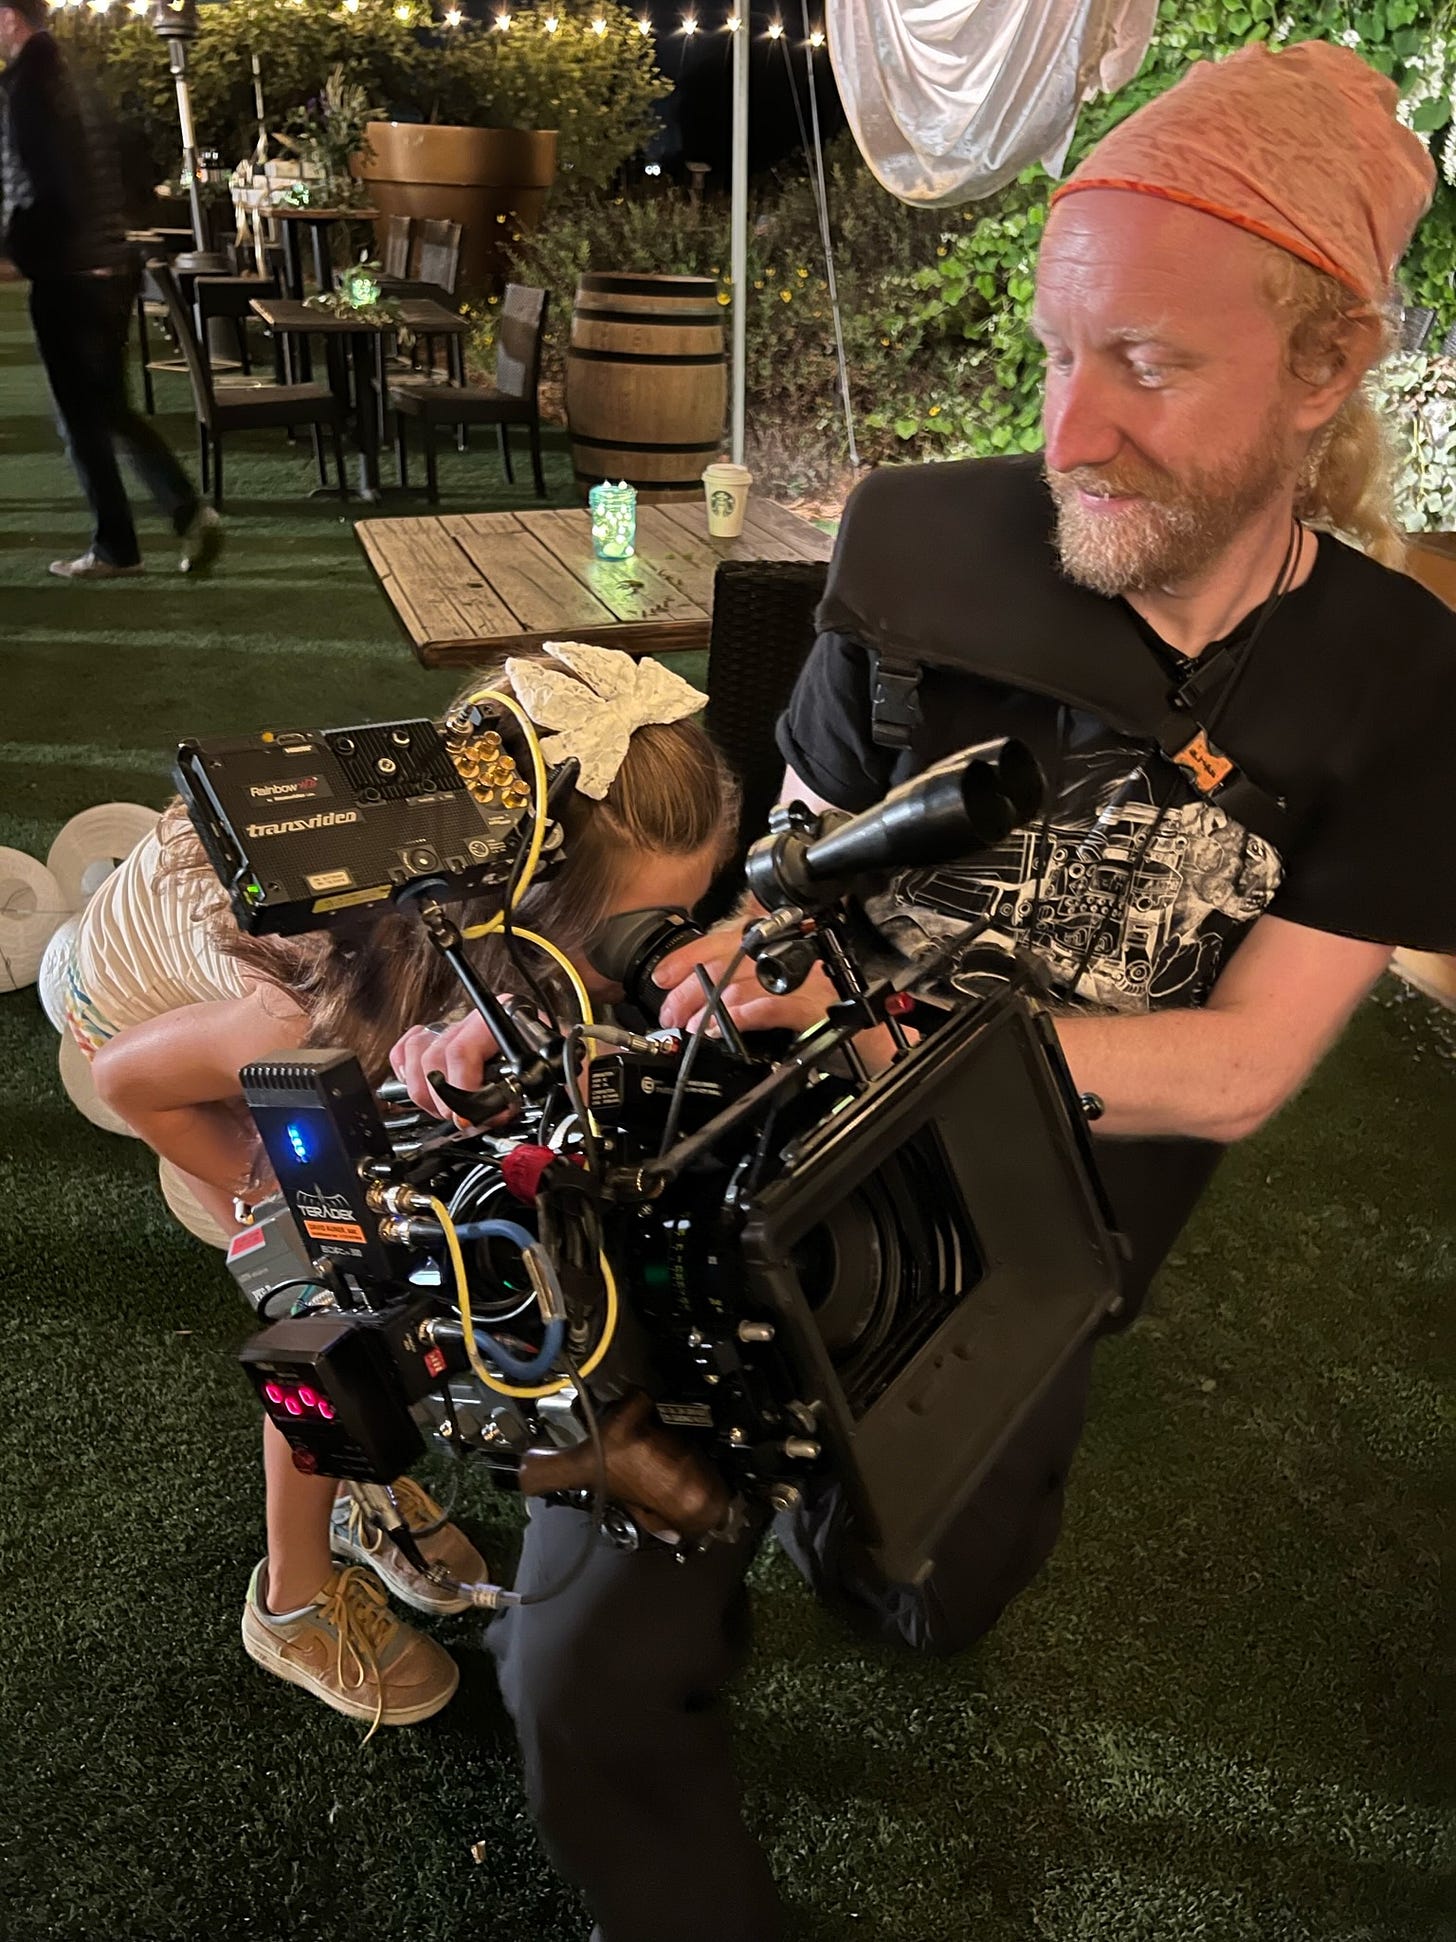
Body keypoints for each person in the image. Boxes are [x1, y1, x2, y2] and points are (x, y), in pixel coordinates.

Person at [394, 41, 1456, 1942]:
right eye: (1058, 351)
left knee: (928, 1590)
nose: (1071, 433)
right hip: (753, 1162)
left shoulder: (1399, 683)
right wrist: (629, 994)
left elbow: (1236, 1067)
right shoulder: (915, 542)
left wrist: (905, 1043)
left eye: (1145, 362)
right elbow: (791, 858)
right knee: (579, 1688)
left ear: (1322, 372)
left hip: (1042, 1233)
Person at [62, 649, 736, 1731]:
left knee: (393, 1236)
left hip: (306, 999)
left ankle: (358, 1490)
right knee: (332, 1309)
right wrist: (263, 1192)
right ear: (517, 910)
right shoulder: (309, 1009)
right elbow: (125, 1078)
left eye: (685, 914)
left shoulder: (491, 913)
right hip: (148, 1020)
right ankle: (289, 1602)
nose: (654, 964)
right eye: (626, 942)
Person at [0, 0, 221, 578]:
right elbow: (121, 166)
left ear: (9, 17)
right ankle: (184, 512)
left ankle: (118, 544)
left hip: (69, 273)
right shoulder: (77, 76)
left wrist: (19, 252)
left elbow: (41, 183)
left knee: (81, 416)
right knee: (108, 408)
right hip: (110, 266)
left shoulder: (28, 85)